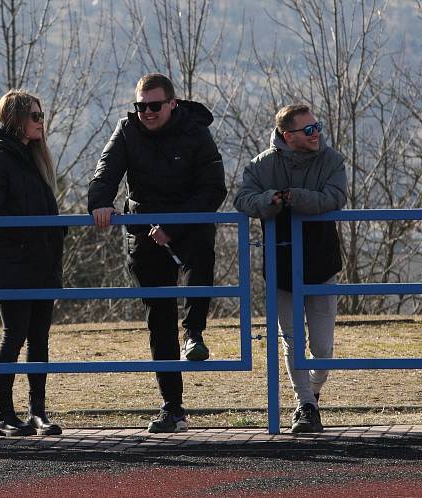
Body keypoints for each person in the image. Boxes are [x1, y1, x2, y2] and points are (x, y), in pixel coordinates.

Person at [88, 73, 226, 433]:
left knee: (201, 259)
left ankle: (193, 333)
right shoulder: (127, 130)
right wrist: (100, 204)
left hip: (188, 224)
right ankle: (172, 408)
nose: (146, 112)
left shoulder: (195, 131)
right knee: (158, 317)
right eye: (140, 106)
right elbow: (106, 171)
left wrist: (174, 227)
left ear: (172, 104)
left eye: (154, 105)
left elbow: (213, 189)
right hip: (145, 230)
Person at [234, 104, 346, 433]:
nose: (317, 134)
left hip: (322, 264)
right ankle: (306, 404)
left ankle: (313, 393)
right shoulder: (262, 165)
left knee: (322, 347)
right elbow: (242, 199)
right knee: (292, 340)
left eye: (318, 127)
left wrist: (293, 198)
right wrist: (271, 199)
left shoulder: (332, 160)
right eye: (309, 129)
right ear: (288, 136)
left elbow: (334, 198)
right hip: (281, 268)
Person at [0, 89, 65, 437]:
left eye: (41, 115)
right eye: (34, 116)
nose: (41, 122)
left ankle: (37, 412)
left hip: (42, 263)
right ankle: (4, 414)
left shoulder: (33, 157)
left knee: (39, 338)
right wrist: (28, 240)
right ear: (16, 120)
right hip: (14, 265)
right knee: (14, 335)